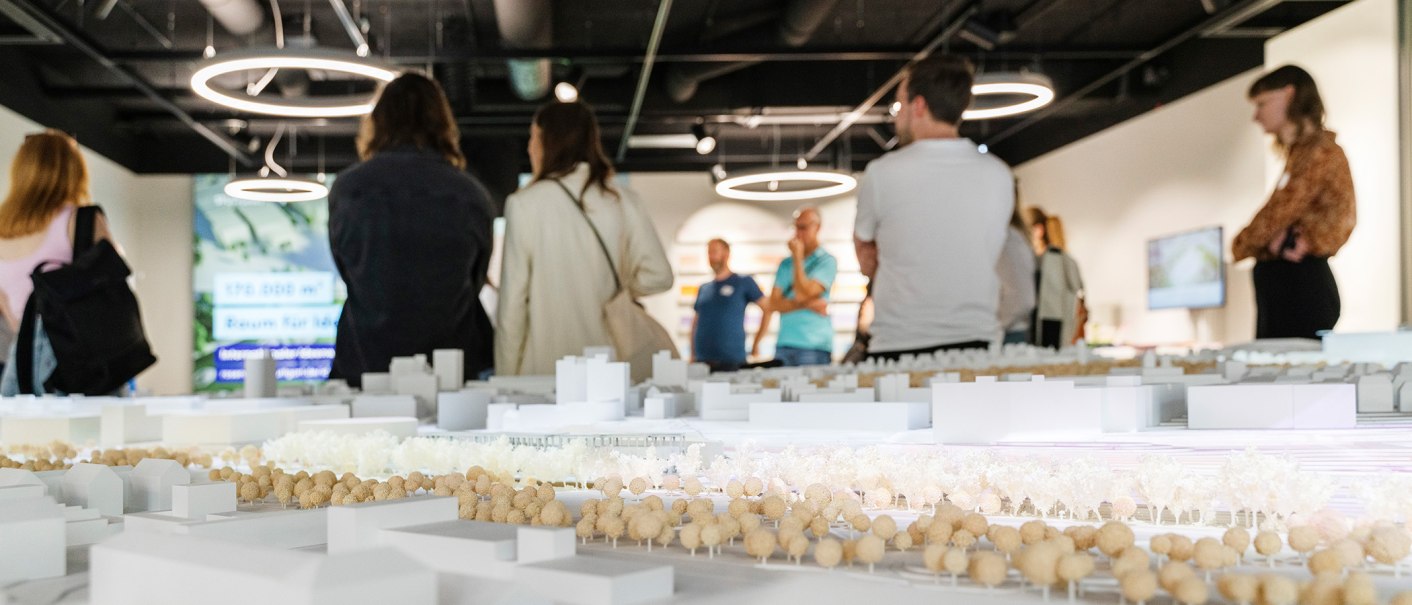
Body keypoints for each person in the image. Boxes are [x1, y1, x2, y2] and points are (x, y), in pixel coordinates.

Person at [329, 73, 495, 387]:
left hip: (366, 362)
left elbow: (347, 268)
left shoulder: (348, 189)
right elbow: (475, 279)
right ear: (443, 124)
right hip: (451, 369)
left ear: (378, 122)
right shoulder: (470, 194)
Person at [853, 55, 1013, 361]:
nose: (896, 115)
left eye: (900, 103)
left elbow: (865, 256)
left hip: (899, 341)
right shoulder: (999, 174)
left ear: (920, 106)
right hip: (977, 341)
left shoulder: (882, 173)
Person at [496, 101, 673, 375]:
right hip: (611, 369)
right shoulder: (623, 201)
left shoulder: (525, 204)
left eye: (534, 137)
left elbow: (513, 306)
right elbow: (659, 276)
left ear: (548, 141)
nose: (530, 147)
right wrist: (617, 290)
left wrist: (506, 376)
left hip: (545, 370)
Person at [1232, 65, 1354, 339]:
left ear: (1289, 95)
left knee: (1287, 371)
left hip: (1300, 288)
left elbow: (1279, 214)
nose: (1256, 115)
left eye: (1262, 103)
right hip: (1288, 286)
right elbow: (1278, 218)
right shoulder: (1301, 156)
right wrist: (1273, 238)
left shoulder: (1320, 153)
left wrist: (1247, 242)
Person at [0, 130, 119, 394]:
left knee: (22, 435)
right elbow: (116, 284)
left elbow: (5, 306)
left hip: (20, 359)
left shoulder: (2, 227)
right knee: (94, 432)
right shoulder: (81, 220)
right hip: (78, 357)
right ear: (74, 171)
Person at [752, 207, 836, 366]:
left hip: (814, 345)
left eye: (803, 227)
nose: (798, 232)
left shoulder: (826, 261)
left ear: (817, 227)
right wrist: (808, 303)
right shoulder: (785, 264)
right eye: (796, 227)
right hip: (784, 343)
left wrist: (798, 258)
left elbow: (802, 292)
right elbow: (774, 304)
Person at [690, 238, 765, 372]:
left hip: (732, 361)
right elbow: (695, 322)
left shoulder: (743, 282)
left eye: (714, 252)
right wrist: (692, 354)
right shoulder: (704, 288)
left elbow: (767, 308)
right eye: (708, 253)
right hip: (702, 361)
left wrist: (757, 342)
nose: (711, 257)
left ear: (726, 254)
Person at [1026, 206, 1085, 348]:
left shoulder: (1057, 260)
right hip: (1043, 331)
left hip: (1050, 332)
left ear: (1038, 230)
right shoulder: (1058, 259)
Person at [997, 200, 1036, 344]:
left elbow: (1022, 298)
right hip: (1007, 330)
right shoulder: (1008, 236)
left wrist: (994, 327)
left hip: (1008, 333)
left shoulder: (1009, 238)